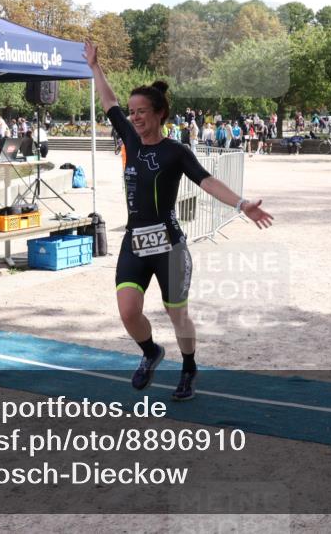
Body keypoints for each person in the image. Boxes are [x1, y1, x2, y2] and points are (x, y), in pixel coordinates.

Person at [84, 41, 273, 402]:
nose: (134, 117)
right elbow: (109, 103)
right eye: (132, 112)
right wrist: (95, 66)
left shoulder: (176, 152)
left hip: (169, 246)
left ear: (160, 114)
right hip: (135, 242)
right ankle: (150, 351)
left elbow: (207, 181)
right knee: (128, 312)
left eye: (142, 111)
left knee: (178, 316)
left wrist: (241, 203)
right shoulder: (130, 140)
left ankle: (188, 366)